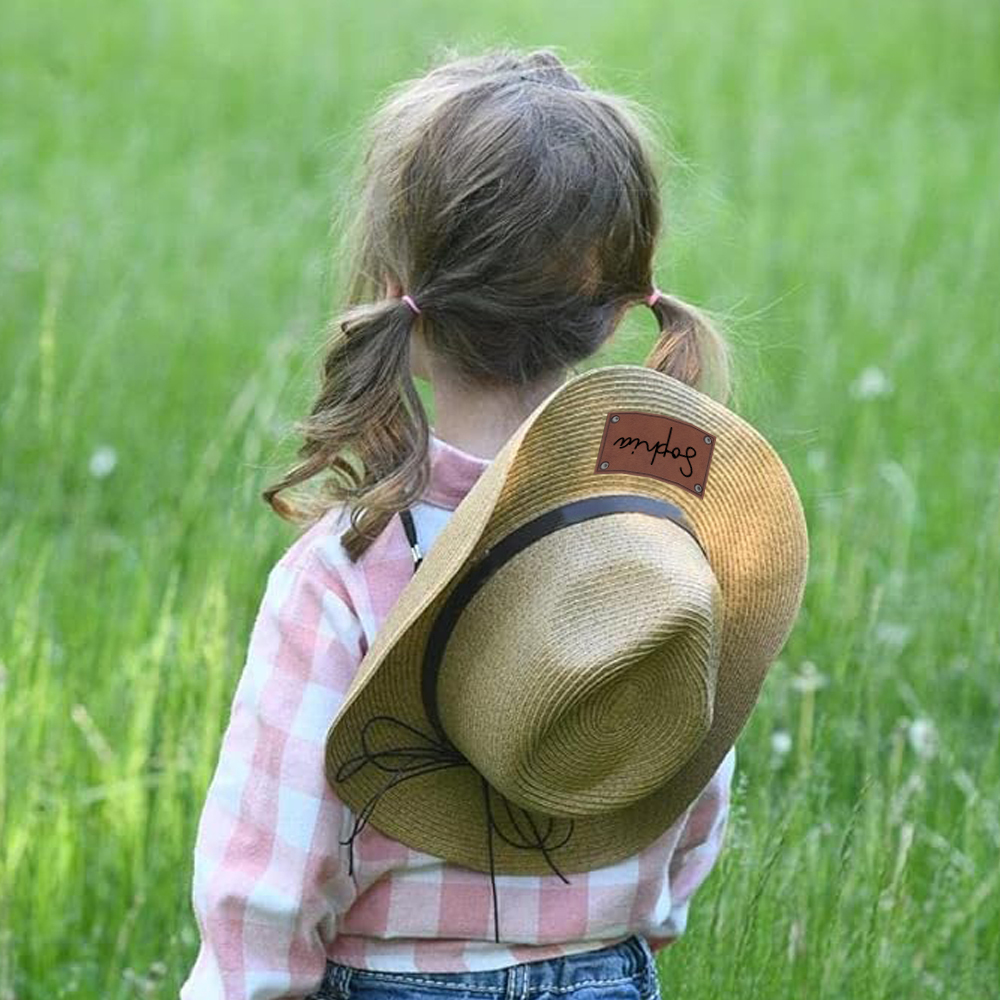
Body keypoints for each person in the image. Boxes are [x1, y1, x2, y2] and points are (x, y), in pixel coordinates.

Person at [180, 44, 737, 1000]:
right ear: (611, 314)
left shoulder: (349, 569)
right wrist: (650, 914)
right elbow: (693, 769)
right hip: (605, 972)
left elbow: (264, 875)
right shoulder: (658, 540)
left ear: (405, 297)